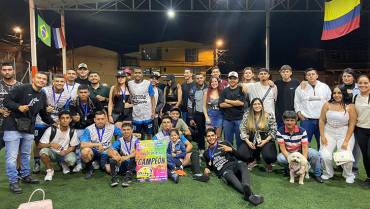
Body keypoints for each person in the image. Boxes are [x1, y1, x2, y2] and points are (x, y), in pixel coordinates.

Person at [4, 72, 55, 193]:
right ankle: (13, 181)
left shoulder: (42, 94)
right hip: (13, 126)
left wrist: (53, 122)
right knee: (11, 157)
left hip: (29, 128)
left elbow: (43, 113)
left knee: (26, 154)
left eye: (44, 79)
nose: (41, 80)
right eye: (39, 78)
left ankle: (25, 175)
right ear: (33, 79)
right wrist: (18, 107)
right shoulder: (21, 88)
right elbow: (6, 101)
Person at [203, 128, 264, 206]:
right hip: (224, 170)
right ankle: (251, 195)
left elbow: (240, 157)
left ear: (216, 136)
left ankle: (246, 186)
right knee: (230, 176)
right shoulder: (206, 153)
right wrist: (207, 169)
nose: (211, 138)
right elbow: (210, 165)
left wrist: (231, 150)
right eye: (208, 136)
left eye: (212, 135)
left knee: (242, 164)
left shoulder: (225, 143)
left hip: (234, 165)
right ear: (206, 138)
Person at [33, 74, 70, 173]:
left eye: (62, 81)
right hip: (41, 119)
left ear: (65, 83)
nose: (59, 83)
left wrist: (61, 120)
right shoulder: (44, 90)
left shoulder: (67, 95)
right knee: (38, 142)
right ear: (53, 82)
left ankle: (60, 160)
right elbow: (37, 103)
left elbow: (65, 110)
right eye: (57, 81)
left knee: (59, 141)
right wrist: (44, 108)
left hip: (57, 121)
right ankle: (37, 162)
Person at [153, 116, 209, 182]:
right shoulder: (157, 137)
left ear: (171, 124)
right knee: (159, 162)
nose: (166, 124)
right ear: (161, 125)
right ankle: (173, 174)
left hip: (180, 158)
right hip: (166, 160)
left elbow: (189, 145)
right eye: (164, 122)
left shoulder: (177, 134)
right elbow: (153, 152)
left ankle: (197, 174)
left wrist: (182, 153)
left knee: (194, 153)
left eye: (168, 122)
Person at [319, 86, 356, 183]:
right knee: (325, 155)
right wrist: (322, 136)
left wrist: (346, 141)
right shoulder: (327, 105)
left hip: (344, 133)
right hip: (328, 132)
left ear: (344, 94)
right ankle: (328, 173)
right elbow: (322, 120)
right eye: (334, 93)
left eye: (339, 93)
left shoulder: (350, 106)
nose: (336, 95)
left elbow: (352, 124)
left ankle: (348, 174)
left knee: (345, 155)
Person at [276, 111, 323, 183]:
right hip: (289, 152)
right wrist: (290, 159)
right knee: (280, 158)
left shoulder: (302, 131)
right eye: (287, 120)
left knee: (315, 154)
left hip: (301, 151)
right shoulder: (279, 131)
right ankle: (290, 170)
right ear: (284, 121)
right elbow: (282, 148)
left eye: (292, 120)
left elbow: (305, 147)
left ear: (296, 121)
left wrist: (303, 163)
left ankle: (317, 174)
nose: (289, 122)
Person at [294, 68, 331, 149]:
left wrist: (327, 116)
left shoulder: (324, 87)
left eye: (313, 74)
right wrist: (300, 115)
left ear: (317, 76)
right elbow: (297, 103)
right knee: (304, 143)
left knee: (322, 142)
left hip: (322, 120)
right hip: (307, 120)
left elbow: (329, 101)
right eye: (308, 75)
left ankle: (321, 161)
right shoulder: (300, 87)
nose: (311, 76)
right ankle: (305, 161)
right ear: (306, 77)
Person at [69, 85, 103, 172]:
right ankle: (79, 163)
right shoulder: (73, 102)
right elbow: (72, 114)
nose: (83, 94)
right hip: (79, 127)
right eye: (81, 92)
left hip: (92, 127)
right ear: (78, 93)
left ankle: (93, 161)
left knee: (93, 144)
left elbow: (100, 112)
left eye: (85, 92)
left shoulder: (95, 101)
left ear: (89, 93)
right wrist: (74, 117)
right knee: (78, 146)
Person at [80, 111, 123, 179]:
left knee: (110, 169)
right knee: (85, 151)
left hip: (107, 151)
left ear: (106, 119)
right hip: (94, 152)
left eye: (102, 119)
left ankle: (104, 165)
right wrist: (97, 144)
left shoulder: (112, 127)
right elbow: (82, 144)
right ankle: (89, 168)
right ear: (94, 120)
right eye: (98, 119)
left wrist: (114, 146)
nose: (100, 121)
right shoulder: (89, 129)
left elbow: (122, 136)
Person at [38, 111, 79, 181]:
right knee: (43, 152)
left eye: (67, 118)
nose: (65, 120)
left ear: (70, 120)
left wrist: (65, 152)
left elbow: (73, 146)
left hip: (64, 153)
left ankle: (63, 163)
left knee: (72, 160)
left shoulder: (72, 131)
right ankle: (50, 170)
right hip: (53, 153)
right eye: (62, 118)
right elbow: (39, 145)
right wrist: (51, 144)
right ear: (59, 120)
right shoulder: (51, 129)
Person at [239, 98, 277, 172]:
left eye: (259, 104)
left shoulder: (269, 115)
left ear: (262, 105)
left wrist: (265, 141)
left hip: (265, 138)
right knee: (242, 154)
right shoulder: (247, 115)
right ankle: (253, 160)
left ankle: (268, 162)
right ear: (252, 106)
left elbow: (274, 130)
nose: (257, 106)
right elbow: (242, 129)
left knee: (270, 156)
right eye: (255, 104)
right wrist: (248, 142)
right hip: (251, 137)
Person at [338, 68, 361, 175]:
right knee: (343, 143)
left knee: (356, 145)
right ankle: (343, 164)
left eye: (349, 76)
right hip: (342, 121)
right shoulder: (339, 88)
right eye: (344, 76)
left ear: (353, 77)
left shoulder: (359, 87)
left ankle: (354, 167)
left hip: (357, 120)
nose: (346, 78)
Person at [127, 68, 156, 140]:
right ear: (133, 74)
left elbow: (152, 98)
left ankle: (149, 148)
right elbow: (130, 95)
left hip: (147, 114)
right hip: (136, 114)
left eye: (139, 73)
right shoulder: (129, 83)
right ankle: (137, 149)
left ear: (142, 74)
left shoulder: (148, 83)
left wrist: (153, 111)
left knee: (149, 134)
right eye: (136, 73)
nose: (137, 74)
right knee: (136, 135)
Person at [219, 71, 245, 149]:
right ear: (228, 80)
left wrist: (227, 101)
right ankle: (229, 156)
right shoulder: (224, 91)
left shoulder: (241, 89)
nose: (232, 80)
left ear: (237, 80)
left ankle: (240, 156)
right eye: (230, 78)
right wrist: (235, 103)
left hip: (239, 119)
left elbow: (241, 103)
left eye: (234, 78)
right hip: (227, 119)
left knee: (240, 140)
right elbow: (221, 104)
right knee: (227, 140)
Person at [108, 123, 139, 187]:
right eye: (124, 130)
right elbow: (109, 150)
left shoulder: (136, 140)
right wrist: (116, 157)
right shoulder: (120, 140)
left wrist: (127, 157)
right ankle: (114, 179)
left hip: (133, 165)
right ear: (121, 131)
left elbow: (140, 152)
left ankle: (127, 178)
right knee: (112, 159)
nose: (126, 131)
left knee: (134, 157)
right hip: (123, 164)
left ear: (132, 130)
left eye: (128, 129)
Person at [0, 62, 22, 151]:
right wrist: (1, 111)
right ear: (1, 71)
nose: (7, 72)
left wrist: (14, 110)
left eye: (9, 70)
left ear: (14, 71)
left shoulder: (21, 86)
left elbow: (24, 103)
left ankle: (18, 166)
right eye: (4, 70)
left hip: (16, 123)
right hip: (1, 123)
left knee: (17, 150)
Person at [353, 75, 370, 188]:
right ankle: (369, 178)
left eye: (366, 83)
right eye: (360, 83)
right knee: (365, 155)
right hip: (361, 130)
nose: (363, 85)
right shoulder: (356, 97)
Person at [188, 72, 208, 153]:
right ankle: (201, 149)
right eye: (198, 78)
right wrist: (191, 117)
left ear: (204, 78)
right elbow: (190, 104)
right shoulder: (193, 89)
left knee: (209, 131)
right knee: (200, 132)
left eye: (201, 78)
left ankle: (211, 148)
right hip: (198, 114)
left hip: (209, 114)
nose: (199, 79)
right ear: (196, 79)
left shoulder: (209, 87)